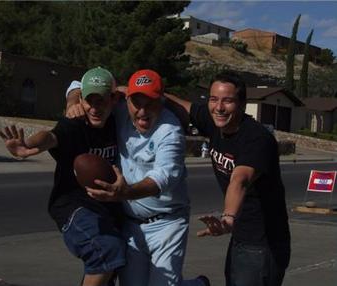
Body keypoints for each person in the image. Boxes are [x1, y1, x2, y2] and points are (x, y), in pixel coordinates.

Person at [65, 69, 210, 286]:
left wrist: (126, 193)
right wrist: (73, 101)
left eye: (150, 103)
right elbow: (78, 82)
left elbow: (164, 177)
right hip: (130, 224)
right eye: (136, 103)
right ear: (126, 100)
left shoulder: (170, 131)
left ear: (161, 101)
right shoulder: (121, 108)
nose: (142, 111)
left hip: (166, 222)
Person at [0, 67, 126, 286]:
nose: (95, 108)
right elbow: (50, 136)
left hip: (107, 207)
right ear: (83, 100)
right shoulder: (75, 123)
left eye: (102, 101)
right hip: (73, 206)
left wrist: (73, 96)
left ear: (113, 99)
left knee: (114, 267)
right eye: (90, 100)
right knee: (106, 250)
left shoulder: (119, 119)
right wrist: (28, 146)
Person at [164, 71, 291, 286]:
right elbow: (177, 104)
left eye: (228, 101)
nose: (219, 107)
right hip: (241, 236)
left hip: (264, 243)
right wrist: (123, 91)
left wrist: (229, 217)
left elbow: (239, 180)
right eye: (213, 99)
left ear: (242, 104)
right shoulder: (214, 121)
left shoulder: (257, 139)